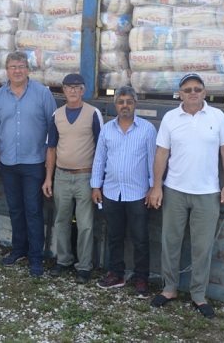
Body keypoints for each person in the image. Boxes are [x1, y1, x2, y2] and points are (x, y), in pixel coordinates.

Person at [148, 73, 224, 319]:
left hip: (207, 193)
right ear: (180, 94)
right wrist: (157, 186)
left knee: (202, 247)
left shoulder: (217, 117)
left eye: (197, 88)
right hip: (175, 190)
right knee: (171, 242)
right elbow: (161, 154)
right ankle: (169, 289)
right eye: (187, 90)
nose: (192, 93)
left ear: (205, 92)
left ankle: (198, 295)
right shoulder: (170, 118)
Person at [0, 51, 57, 277]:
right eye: (13, 67)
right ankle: (18, 251)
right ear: (7, 70)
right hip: (8, 162)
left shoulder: (42, 94)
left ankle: (36, 258)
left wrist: (50, 165)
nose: (17, 71)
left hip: (34, 162)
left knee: (33, 211)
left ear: (28, 70)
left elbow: (53, 129)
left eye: (21, 66)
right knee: (15, 209)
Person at [91, 85, 157, 299]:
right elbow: (99, 159)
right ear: (115, 105)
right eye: (121, 102)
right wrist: (95, 186)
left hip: (138, 194)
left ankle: (141, 279)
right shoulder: (108, 129)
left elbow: (153, 161)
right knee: (114, 236)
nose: (125, 105)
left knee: (140, 239)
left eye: (129, 101)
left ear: (135, 104)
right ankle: (116, 274)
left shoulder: (147, 129)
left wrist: (153, 188)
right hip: (111, 192)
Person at [42, 73, 103, 284]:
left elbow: (101, 150)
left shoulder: (93, 113)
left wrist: (97, 183)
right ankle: (64, 260)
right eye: (69, 87)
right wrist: (48, 178)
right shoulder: (56, 115)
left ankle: (84, 266)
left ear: (83, 90)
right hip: (61, 175)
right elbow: (51, 149)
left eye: (77, 87)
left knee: (85, 224)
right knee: (61, 221)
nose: (73, 91)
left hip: (84, 176)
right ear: (63, 91)